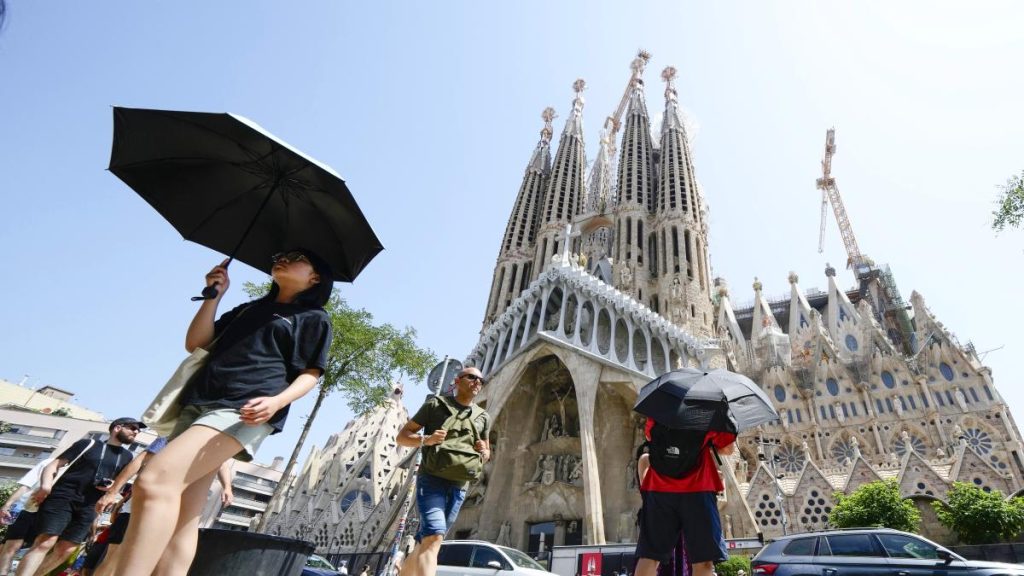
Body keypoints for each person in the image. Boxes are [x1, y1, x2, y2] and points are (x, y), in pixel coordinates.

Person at [116, 250, 333, 576]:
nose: (283, 259)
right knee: (184, 513)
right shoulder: (250, 309)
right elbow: (197, 342)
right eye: (281, 255)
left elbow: (311, 373)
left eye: (297, 258)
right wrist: (214, 296)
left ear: (315, 278)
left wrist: (277, 402)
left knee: (153, 481)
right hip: (199, 402)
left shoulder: (314, 317)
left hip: (243, 410)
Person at [15, 418, 141, 576]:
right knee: (46, 542)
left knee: (67, 549)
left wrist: (111, 487)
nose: (136, 432)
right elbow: (53, 464)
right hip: (64, 496)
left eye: (138, 430)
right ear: (117, 428)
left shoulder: (128, 456)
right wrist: (46, 486)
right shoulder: (89, 444)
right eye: (132, 428)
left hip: (91, 504)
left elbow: (118, 483)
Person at [88, 438, 233, 576]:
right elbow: (141, 459)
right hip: (140, 510)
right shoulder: (178, 434)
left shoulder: (217, 442)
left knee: (157, 562)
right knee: (115, 558)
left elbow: (223, 463)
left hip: (173, 515)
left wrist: (227, 487)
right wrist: (112, 492)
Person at [395, 367, 491, 576]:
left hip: (460, 485)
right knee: (434, 537)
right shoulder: (436, 405)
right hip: (432, 479)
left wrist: (484, 451)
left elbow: (487, 451)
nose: (477, 382)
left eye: (481, 380)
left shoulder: (482, 416)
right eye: (472, 377)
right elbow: (402, 437)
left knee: (426, 541)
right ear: (457, 381)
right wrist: (426, 440)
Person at [634, 418, 735, 576]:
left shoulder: (660, 410)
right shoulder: (709, 412)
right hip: (698, 490)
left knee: (650, 557)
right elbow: (728, 449)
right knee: (703, 560)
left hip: (659, 489)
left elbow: (650, 437)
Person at [0, 457, 54, 576]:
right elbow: (26, 485)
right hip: (26, 508)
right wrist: (7, 505)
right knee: (12, 546)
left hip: (50, 514)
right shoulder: (48, 462)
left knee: (29, 549)